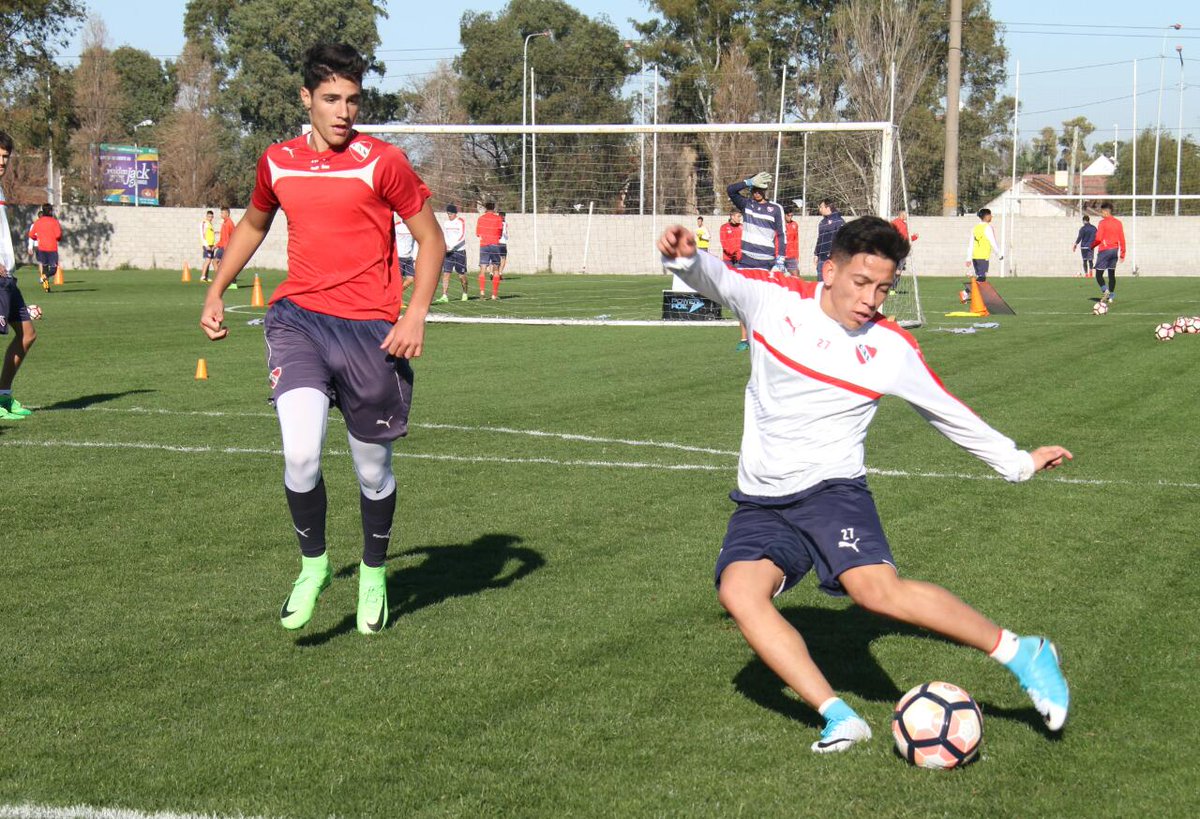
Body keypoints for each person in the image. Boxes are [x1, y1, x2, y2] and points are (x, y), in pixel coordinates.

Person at [656, 216, 1072, 753]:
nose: (871, 298)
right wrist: (684, 258)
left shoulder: (891, 348)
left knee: (874, 593)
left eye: (883, 287)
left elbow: (947, 413)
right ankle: (839, 716)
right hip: (761, 500)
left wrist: (1018, 463)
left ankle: (1022, 652)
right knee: (739, 592)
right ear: (829, 271)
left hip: (832, 491)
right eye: (860, 283)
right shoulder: (773, 301)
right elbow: (716, 277)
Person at [199, 42, 445, 635]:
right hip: (298, 320)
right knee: (302, 452)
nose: (344, 112)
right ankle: (313, 566)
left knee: (370, 472)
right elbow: (255, 223)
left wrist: (415, 315)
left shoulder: (381, 160)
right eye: (331, 99)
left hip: (371, 332)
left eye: (353, 100)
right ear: (306, 99)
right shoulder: (276, 161)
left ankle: (373, 572)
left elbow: (431, 242)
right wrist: (214, 290)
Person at [0, 130, 38, 421]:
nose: (3, 162)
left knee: (27, 335)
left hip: (8, 278)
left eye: (6, 158)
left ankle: (3, 396)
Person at [727, 171, 785, 352]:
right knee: (743, 302)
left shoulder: (775, 209)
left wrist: (780, 258)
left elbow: (782, 234)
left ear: (765, 190)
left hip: (767, 263)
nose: (757, 192)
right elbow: (730, 191)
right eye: (754, 189)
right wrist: (748, 181)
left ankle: (767, 339)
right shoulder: (746, 205)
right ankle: (744, 339)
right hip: (746, 263)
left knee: (766, 304)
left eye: (760, 189)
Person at [1090, 203, 1125, 302]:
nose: (1101, 214)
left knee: (1098, 274)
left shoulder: (1102, 223)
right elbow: (1122, 238)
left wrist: (1092, 246)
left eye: (1101, 212)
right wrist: (1122, 253)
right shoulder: (1118, 223)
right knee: (1111, 274)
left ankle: (1105, 290)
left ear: (1106, 212)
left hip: (1105, 251)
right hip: (1115, 251)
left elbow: (1098, 239)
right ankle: (1111, 297)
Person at [435, 203, 468, 303]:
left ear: (455, 213)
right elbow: (444, 236)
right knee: (446, 274)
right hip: (448, 253)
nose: (449, 216)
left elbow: (462, 236)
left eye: (450, 214)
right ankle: (445, 295)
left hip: (459, 252)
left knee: (461, 275)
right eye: (448, 214)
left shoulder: (460, 222)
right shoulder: (446, 223)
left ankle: (465, 293)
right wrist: (444, 246)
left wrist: (452, 246)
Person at [28, 204, 63, 293]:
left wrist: (38, 238)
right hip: (51, 248)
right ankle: (45, 276)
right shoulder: (54, 222)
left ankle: (47, 288)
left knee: (44, 267)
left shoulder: (38, 222)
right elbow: (58, 235)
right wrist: (57, 238)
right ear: (51, 211)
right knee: (53, 269)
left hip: (41, 248)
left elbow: (31, 235)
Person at [476, 201, 504, 300]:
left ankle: (482, 293)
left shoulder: (480, 219)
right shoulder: (498, 218)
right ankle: (494, 295)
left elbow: (478, 234)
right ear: (494, 208)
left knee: (483, 269)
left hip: (484, 245)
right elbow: (500, 233)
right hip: (495, 245)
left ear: (485, 208)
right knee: (496, 269)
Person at [966, 208, 1001, 282]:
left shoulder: (975, 228)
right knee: (982, 278)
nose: (991, 217)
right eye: (990, 215)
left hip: (975, 257)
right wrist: (999, 254)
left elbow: (971, 244)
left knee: (980, 277)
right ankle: (966, 292)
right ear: (987, 216)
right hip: (983, 257)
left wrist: (969, 258)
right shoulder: (988, 227)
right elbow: (993, 242)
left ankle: (969, 292)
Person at [813, 198, 845, 276]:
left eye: (821, 207)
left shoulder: (839, 221)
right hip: (821, 258)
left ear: (828, 208)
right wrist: (816, 254)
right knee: (821, 283)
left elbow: (843, 241)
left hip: (834, 258)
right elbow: (819, 239)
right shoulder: (822, 222)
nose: (819, 209)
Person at [394, 212, 418, 299]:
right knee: (398, 280)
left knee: (410, 279)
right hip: (399, 257)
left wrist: (415, 256)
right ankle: (397, 299)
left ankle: (396, 296)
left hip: (409, 258)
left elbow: (415, 242)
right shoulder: (397, 226)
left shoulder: (413, 227)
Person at [889, 209, 918, 282]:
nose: (907, 216)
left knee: (897, 270)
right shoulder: (900, 224)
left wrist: (914, 237)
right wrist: (914, 237)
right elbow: (905, 238)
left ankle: (892, 289)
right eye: (906, 215)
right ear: (902, 215)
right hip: (900, 249)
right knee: (898, 271)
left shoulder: (895, 223)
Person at [215, 207, 237, 289]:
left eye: (222, 213)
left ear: (227, 214)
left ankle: (222, 282)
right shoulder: (225, 223)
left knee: (218, 263)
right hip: (224, 246)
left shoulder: (228, 223)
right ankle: (229, 282)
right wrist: (216, 245)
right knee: (220, 263)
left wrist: (227, 248)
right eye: (221, 213)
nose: (221, 214)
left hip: (226, 247)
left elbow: (229, 237)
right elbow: (223, 238)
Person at [1071, 215, 1096, 280]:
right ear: (1088, 220)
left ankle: (1086, 274)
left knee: (1084, 260)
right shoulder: (1094, 228)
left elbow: (1079, 237)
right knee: (1090, 260)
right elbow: (1097, 237)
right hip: (1091, 246)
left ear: (1084, 221)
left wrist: (1075, 244)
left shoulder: (1083, 228)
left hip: (1084, 247)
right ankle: (1091, 273)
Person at [198, 209, 217, 282]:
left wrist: (214, 244)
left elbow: (211, 235)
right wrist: (206, 245)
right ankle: (202, 276)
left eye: (211, 217)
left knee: (209, 260)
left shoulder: (210, 224)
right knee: (208, 260)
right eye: (209, 216)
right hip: (207, 245)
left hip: (211, 245)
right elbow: (202, 234)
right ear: (206, 216)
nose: (210, 218)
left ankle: (206, 276)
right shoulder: (204, 223)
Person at [782, 206, 800, 276]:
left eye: (791, 216)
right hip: (780, 256)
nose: (790, 217)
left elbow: (796, 241)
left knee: (796, 275)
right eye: (788, 215)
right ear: (784, 215)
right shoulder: (779, 224)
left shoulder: (794, 225)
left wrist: (797, 256)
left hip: (791, 256)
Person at [497, 211, 509, 278]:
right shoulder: (505, 223)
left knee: (496, 258)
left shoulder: (496, 223)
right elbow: (506, 235)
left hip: (497, 243)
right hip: (502, 243)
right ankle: (500, 273)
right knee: (503, 258)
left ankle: (494, 273)